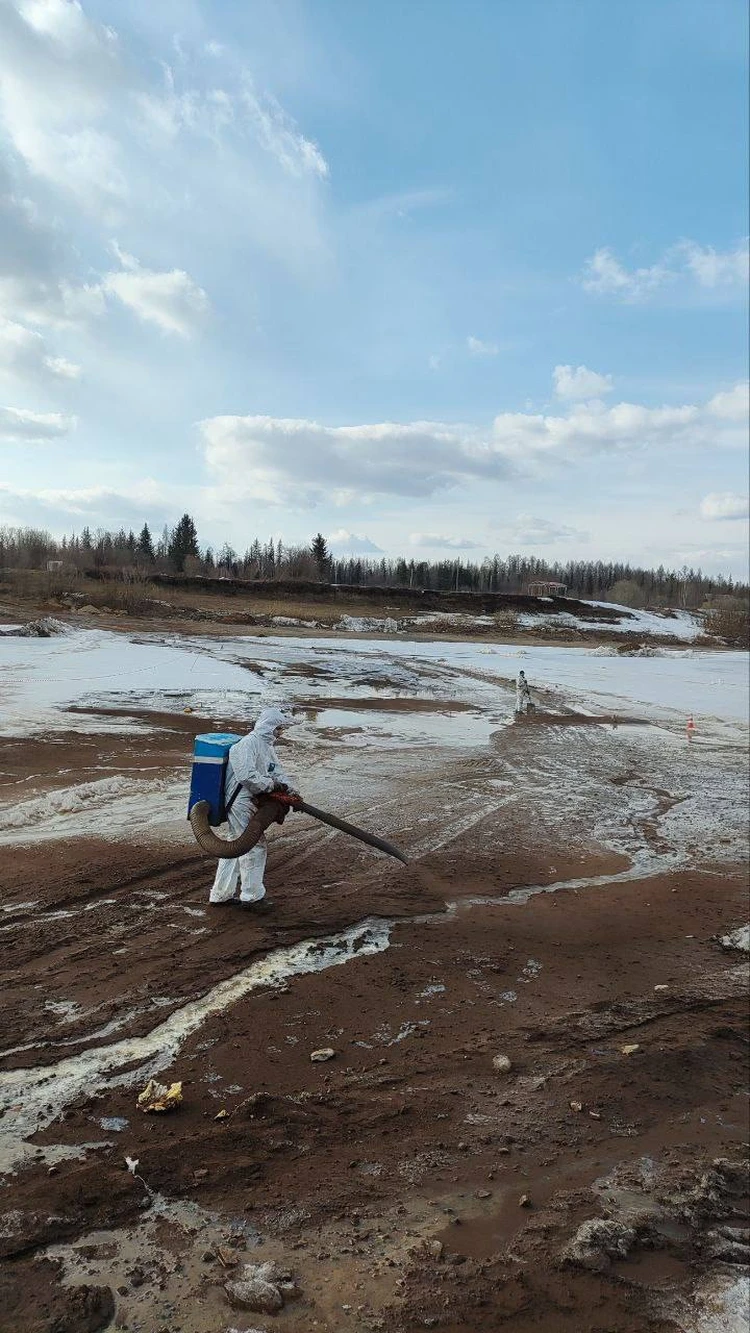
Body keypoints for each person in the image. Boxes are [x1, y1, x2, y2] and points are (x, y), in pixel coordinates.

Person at [209, 706, 299, 908]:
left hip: (250, 800)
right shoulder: (246, 745)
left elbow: (276, 772)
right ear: (269, 726)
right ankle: (252, 897)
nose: (280, 733)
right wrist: (272, 785)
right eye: (278, 729)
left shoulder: (266, 747)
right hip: (241, 801)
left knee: (234, 847)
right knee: (254, 846)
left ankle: (220, 894)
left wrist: (291, 790)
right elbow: (247, 776)